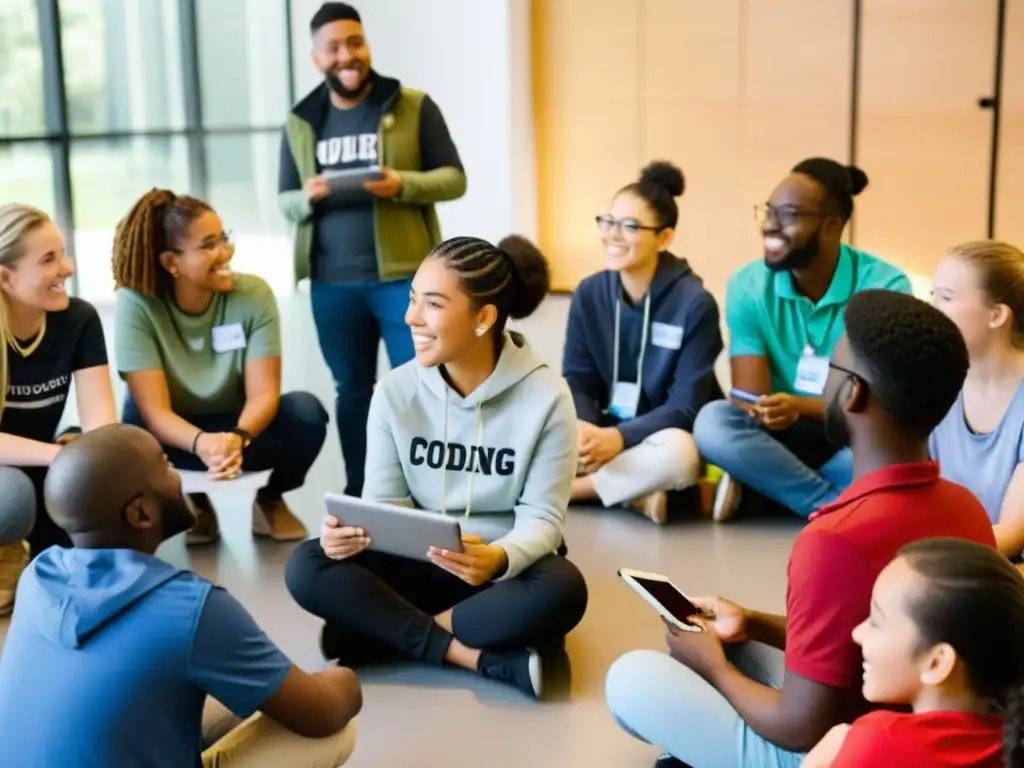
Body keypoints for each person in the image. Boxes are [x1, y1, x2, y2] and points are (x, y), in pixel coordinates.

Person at [605, 290, 996, 768]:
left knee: (631, 679)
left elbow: (799, 728)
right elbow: (853, 645)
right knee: (739, 641)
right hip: (916, 722)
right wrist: (752, 621)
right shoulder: (966, 507)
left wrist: (709, 666)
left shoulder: (834, 539)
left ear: (853, 392)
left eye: (830, 374)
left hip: (840, 749)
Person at [286, 235, 588, 699]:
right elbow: (383, 505)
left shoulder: (547, 397)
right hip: (421, 563)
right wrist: (347, 537)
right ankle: (472, 655)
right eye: (412, 300)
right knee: (308, 563)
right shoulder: (395, 392)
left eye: (432, 305)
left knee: (563, 589)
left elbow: (543, 520)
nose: (411, 318)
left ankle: (380, 632)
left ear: (484, 317)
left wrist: (498, 558)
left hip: (497, 567)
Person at [0, 424, 361, 767]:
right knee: (333, 730)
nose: (178, 474)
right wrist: (343, 680)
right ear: (140, 513)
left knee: (228, 693)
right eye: (166, 465)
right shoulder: (189, 607)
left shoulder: (36, 576)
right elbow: (322, 714)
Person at [279, 2, 466, 498]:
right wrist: (308, 196)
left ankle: (427, 490)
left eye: (355, 43)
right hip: (331, 283)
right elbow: (284, 198)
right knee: (353, 391)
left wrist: (399, 183)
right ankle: (364, 491)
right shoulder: (301, 120)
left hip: (404, 280)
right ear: (317, 57)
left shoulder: (412, 105)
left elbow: (454, 179)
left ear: (367, 46)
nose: (347, 55)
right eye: (334, 47)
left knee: (424, 384)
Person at [693, 158, 911, 522]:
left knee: (911, 445)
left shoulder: (885, 287)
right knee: (713, 423)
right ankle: (831, 507)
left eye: (788, 215)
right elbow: (751, 394)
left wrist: (797, 405)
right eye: (769, 211)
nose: (770, 225)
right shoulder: (747, 285)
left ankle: (771, 490)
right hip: (776, 438)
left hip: (851, 434)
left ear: (831, 226)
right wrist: (764, 408)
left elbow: (873, 396)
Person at [112, 189, 328, 545]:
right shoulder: (136, 303)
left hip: (239, 430)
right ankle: (195, 502)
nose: (226, 251)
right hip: (175, 435)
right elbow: (154, 411)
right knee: (130, 430)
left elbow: (263, 393)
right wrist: (202, 444)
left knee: (305, 413)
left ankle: (270, 499)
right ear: (171, 262)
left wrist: (236, 439)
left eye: (224, 238)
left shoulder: (253, 293)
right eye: (208, 244)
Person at [564, 161, 723, 524]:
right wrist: (587, 433)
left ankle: (572, 493)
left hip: (660, 437)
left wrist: (618, 438)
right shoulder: (589, 293)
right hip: (604, 431)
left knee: (680, 456)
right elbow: (578, 379)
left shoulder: (694, 304)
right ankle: (636, 495)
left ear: (664, 237)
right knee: (544, 428)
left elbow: (686, 407)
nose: (613, 235)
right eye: (609, 221)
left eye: (631, 226)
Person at [803, 538, 1016, 768]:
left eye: (876, 621)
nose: (857, 633)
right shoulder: (1011, 737)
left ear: (936, 663)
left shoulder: (880, 742)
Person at [0, 203, 116, 613]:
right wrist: (60, 456)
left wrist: (96, 462)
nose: (67, 268)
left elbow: (102, 423)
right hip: (13, 473)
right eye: (48, 259)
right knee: (11, 497)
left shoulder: (78, 319)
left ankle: (23, 548)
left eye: (63, 253)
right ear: (5, 277)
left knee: (100, 483)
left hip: (42, 458)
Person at [929, 241, 1024, 562]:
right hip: (951, 558)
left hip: (1003, 570)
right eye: (933, 295)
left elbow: (1011, 534)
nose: (931, 308)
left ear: (997, 315)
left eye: (946, 297)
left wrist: (917, 554)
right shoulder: (937, 380)